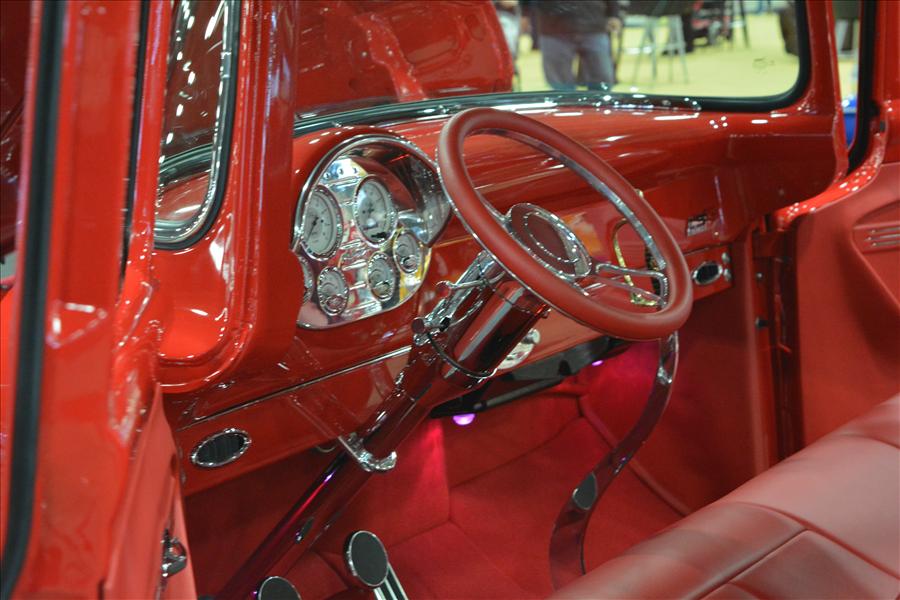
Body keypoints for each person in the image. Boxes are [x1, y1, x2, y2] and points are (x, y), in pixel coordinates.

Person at [535, 0, 622, 91]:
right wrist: (526, 13)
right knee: (559, 82)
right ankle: (565, 99)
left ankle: (599, 98)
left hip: (594, 27)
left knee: (602, 77)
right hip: (553, 29)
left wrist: (614, 14)